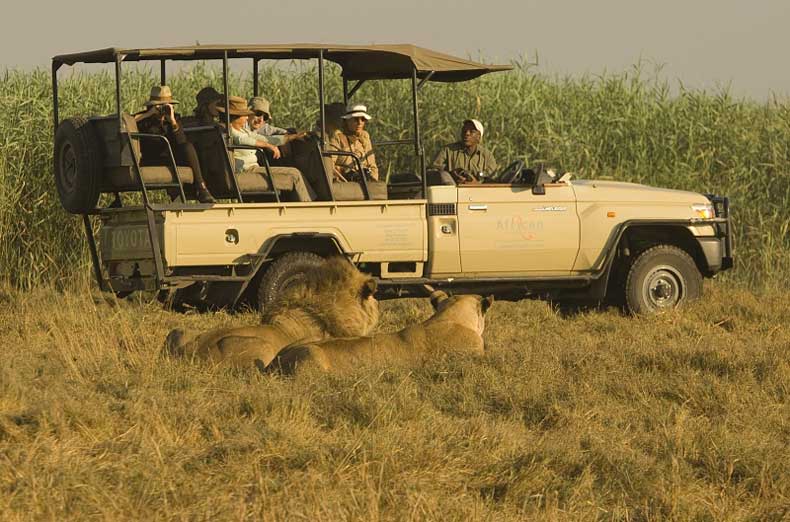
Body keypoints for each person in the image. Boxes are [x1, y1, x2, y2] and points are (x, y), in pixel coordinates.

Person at [221, 96, 314, 202]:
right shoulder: (230, 132)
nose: (247, 118)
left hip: (252, 168)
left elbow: (266, 138)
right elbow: (244, 140)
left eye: (265, 117)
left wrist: (292, 137)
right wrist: (267, 146)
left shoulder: (243, 130)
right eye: (245, 115)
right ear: (235, 116)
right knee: (295, 174)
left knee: (294, 172)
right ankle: (310, 209)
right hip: (247, 170)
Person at [133, 85, 216, 203]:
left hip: (170, 156)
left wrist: (172, 121)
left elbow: (181, 141)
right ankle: (185, 195)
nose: (163, 109)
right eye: (160, 105)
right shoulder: (143, 118)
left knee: (188, 147)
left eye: (167, 105)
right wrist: (149, 114)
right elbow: (125, 122)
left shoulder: (174, 118)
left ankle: (201, 187)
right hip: (152, 158)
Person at [431, 119, 498, 184]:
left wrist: (477, 182)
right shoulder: (448, 151)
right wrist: (451, 175)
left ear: (479, 137)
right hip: (453, 192)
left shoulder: (487, 156)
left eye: (472, 131)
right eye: (464, 131)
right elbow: (432, 171)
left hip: (479, 192)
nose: (467, 133)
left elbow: (493, 178)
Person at [327, 103, 379, 181]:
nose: (360, 123)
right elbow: (329, 165)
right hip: (345, 184)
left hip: (366, 183)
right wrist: (345, 172)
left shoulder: (365, 137)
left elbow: (372, 165)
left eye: (363, 119)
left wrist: (373, 180)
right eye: (356, 119)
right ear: (347, 121)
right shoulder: (338, 137)